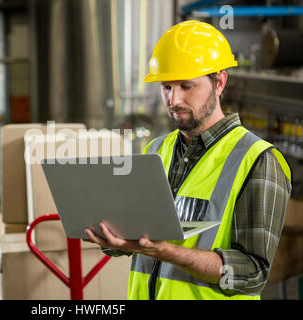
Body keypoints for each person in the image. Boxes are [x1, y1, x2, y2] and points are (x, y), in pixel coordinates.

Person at [84, 20, 292, 300]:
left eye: (186, 86)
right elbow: (138, 239)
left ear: (219, 82)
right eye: (166, 87)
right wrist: (114, 239)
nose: (174, 99)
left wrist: (166, 251)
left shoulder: (257, 160)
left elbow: (252, 274)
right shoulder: (155, 150)